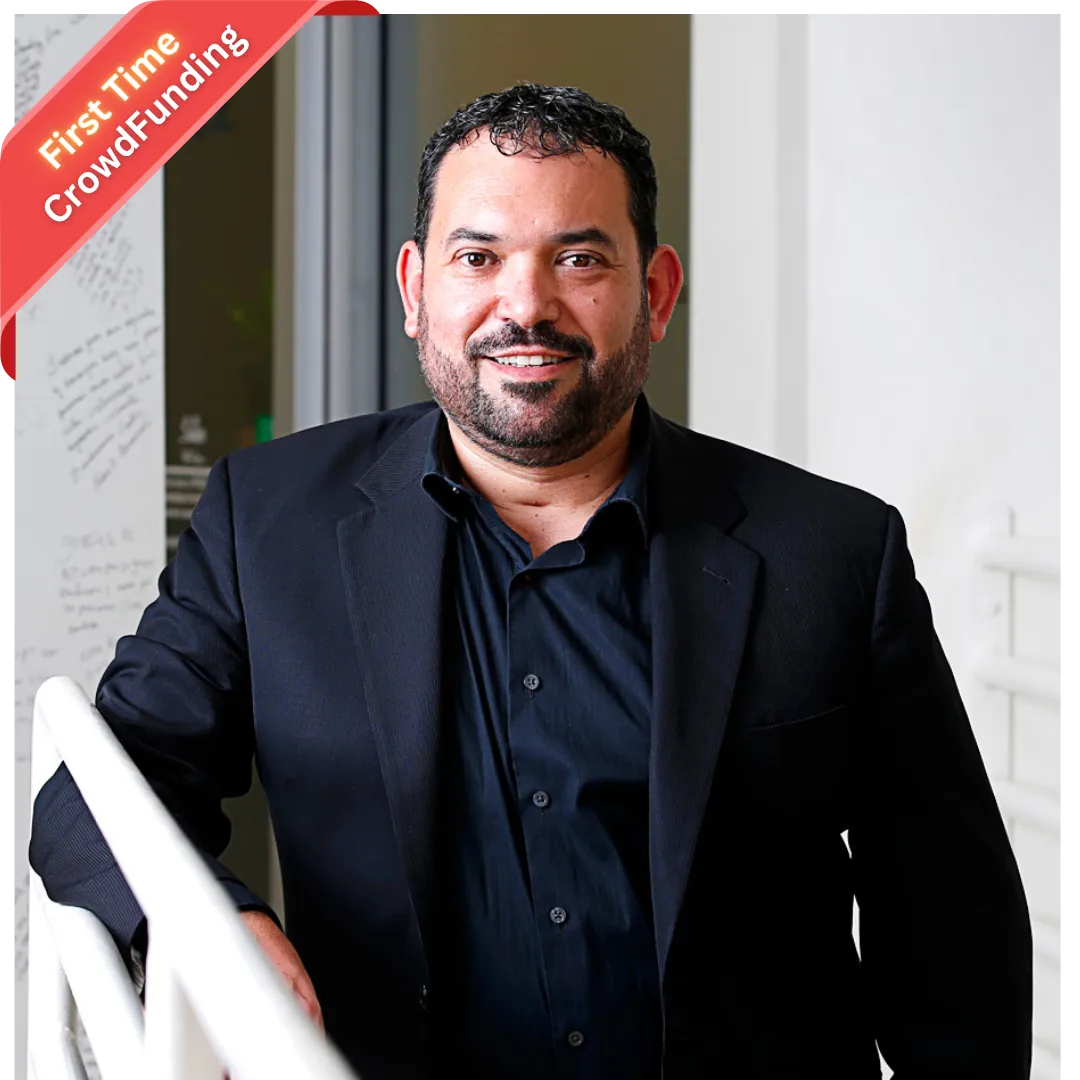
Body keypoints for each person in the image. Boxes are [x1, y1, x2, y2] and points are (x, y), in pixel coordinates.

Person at [30, 84, 1032, 1079]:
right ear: (415, 289)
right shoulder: (268, 520)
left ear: (658, 293)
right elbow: (95, 794)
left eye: (580, 258)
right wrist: (217, 923)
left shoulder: (835, 550)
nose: (526, 307)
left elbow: (955, 932)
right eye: (479, 258)